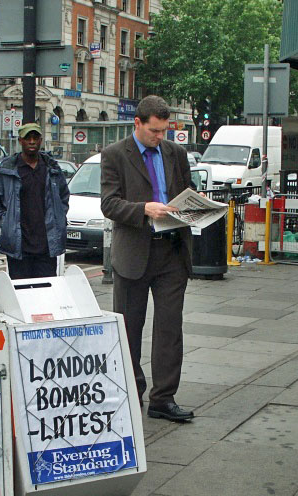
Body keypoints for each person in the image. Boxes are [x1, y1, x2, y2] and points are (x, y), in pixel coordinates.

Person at [100, 95, 195, 422]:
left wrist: (196, 207)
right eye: (154, 131)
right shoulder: (115, 155)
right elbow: (109, 204)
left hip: (171, 252)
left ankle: (163, 399)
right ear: (137, 123)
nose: (160, 137)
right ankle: (130, 392)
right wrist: (143, 209)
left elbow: (186, 190)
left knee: (170, 329)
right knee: (129, 330)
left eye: (164, 131)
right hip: (134, 253)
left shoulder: (176, 153)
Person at [0, 122, 69, 279]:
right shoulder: (7, 170)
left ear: (41, 140)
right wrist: (5, 220)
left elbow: (63, 198)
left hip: (47, 246)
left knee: (46, 294)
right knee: (22, 295)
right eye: (28, 138)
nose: (32, 142)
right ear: (20, 141)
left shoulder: (52, 169)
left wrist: (58, 218)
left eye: (36, 138)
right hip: (18, 247)